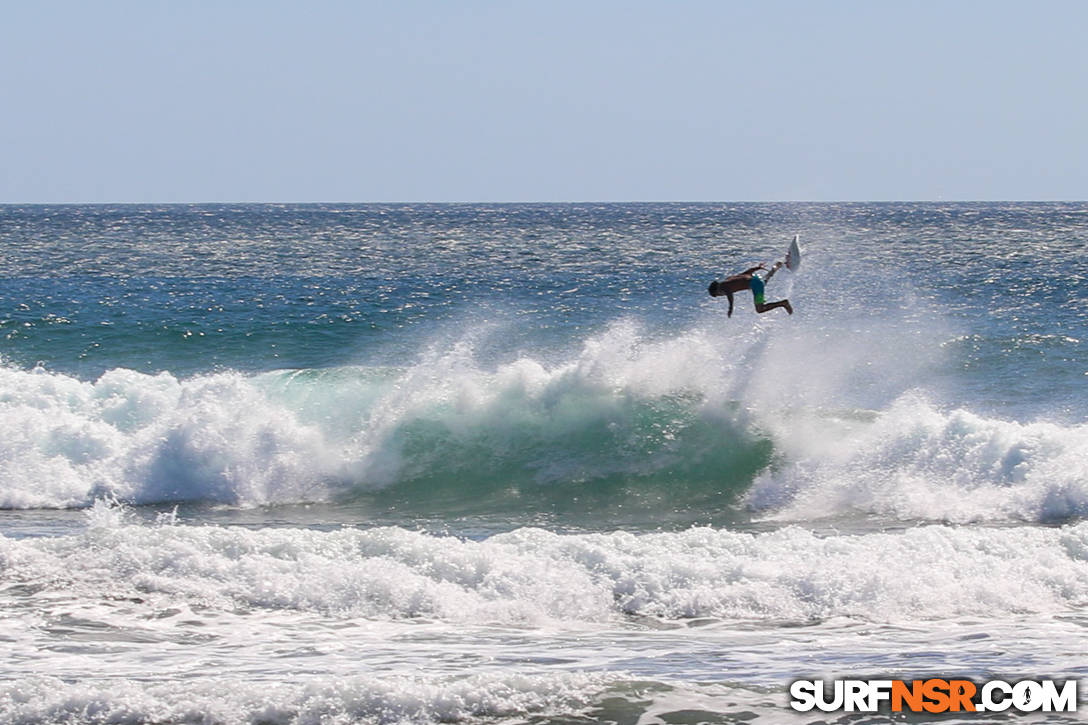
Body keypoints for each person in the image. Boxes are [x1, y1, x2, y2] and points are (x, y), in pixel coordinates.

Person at [708, 261, 793, 317]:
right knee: (764, 280)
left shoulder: (723, 287)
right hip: (756, 279)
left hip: (755, 285)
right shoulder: (729, 279)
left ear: (717, 290)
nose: (722, 294)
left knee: (760, 309)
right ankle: (777, 266)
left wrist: (730, 308)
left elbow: (730, 295)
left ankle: (783, 303)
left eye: (719, 294)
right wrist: (758, 268)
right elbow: (746, 273)